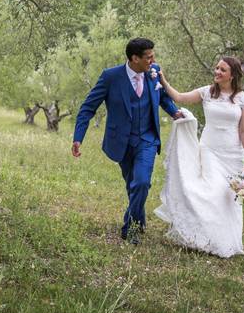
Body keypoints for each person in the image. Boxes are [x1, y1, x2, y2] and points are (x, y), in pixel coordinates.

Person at [71, 38, 184, 244]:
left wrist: (175, 112)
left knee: (141, 182)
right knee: (133, 185)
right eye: (149, 57)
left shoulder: (153, 71)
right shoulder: (110, 77)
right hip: (121, 140)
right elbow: (88, 107)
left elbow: (162, 97)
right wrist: (78, 137)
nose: (153, 60)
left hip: (147, 138)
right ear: (134, 58)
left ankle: (129, 228)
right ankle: (138, 219)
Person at [153, 56, 244, 257]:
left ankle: (227, 242)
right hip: (209, 150)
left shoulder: (243, 98)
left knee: (229, 198)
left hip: (233, 153)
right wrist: (163, 80)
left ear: (233, 75)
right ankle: (204, 238)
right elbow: (180, 98)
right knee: (212, 191)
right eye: (217, 68)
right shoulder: (207, 92)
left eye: (222, 70)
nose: (217, 72)